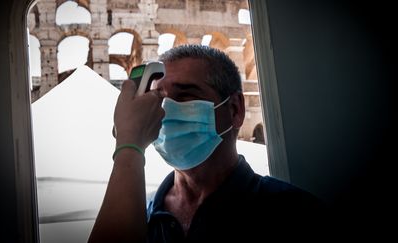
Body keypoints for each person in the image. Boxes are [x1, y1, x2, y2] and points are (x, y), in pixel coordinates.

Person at [88, 45, 323, 243]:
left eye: (185, 95)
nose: (165, 109)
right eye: (158, 97)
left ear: (235, 110)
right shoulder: (139, 213)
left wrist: (128, 148)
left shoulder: (295, 213)